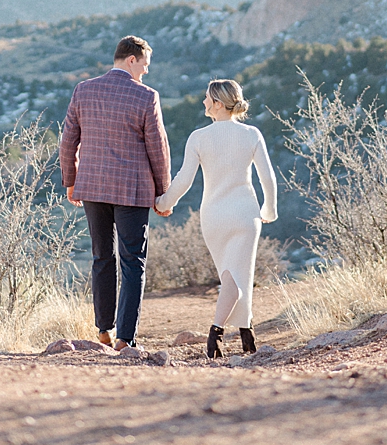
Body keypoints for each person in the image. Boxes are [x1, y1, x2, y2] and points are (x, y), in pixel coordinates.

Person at [60, 35, 171, 351]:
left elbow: (68, 141)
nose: (146, 72)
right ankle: (125, 338)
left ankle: (103, 331)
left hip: (92, 187)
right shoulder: (146, 97)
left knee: (101, 257)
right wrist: (163, 194)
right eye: (145, 65)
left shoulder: (84, 90)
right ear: (132, 59)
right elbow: (158, 150)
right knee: (132, 261)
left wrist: (71, 180)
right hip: (132, 191)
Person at [154, 79, 277, 357]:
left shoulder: (198, 137)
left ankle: (233, 333)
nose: (203, 102)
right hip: (246, 213)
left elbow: (184, 180)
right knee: (239, 275)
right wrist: (270, 209)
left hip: (214, 216)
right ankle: (227, 333)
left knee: (232, 275)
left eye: (207, 98)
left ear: (219, 104)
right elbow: (266, 177)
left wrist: (163, 202)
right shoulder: (251, 133)